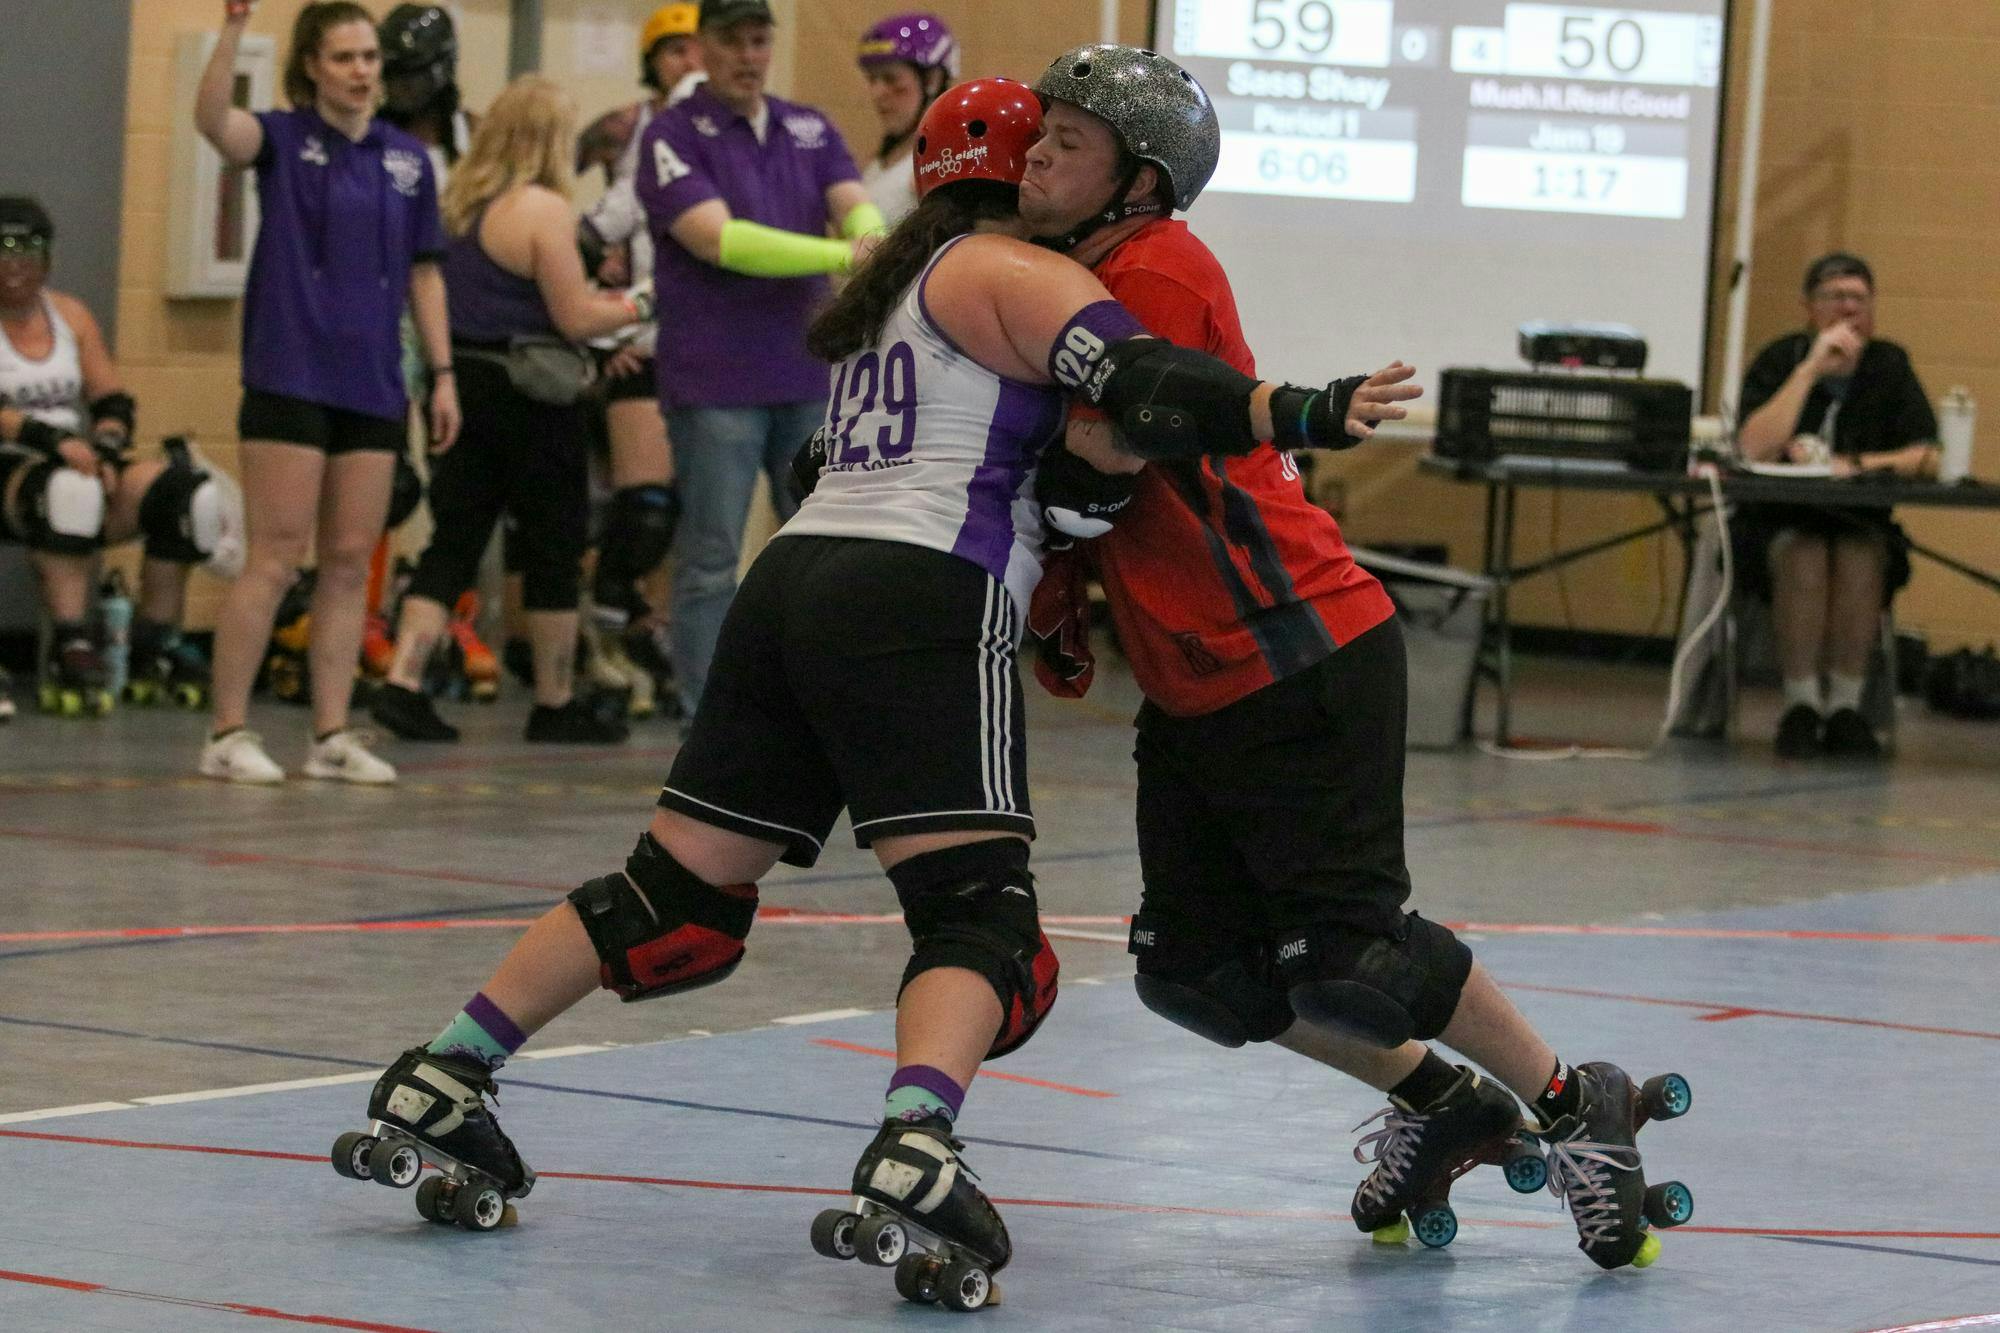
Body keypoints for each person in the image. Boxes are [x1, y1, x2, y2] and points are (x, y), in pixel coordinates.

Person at [329, 79, 1383, 1302]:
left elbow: (832, 460)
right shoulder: (1012, 272)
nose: (1054, 164)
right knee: (978, 915)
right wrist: (1298, 410)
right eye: (1044, 147)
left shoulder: (891, 296)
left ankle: (446, 1071)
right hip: (919, 592)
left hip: (797, 584)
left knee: (670, 897)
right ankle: (917, 1147)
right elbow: (1145, 391)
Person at [1020, 45, 1690, 1272]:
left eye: (1067, 139)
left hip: (1294, 644)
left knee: (1351, 957)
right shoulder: (1055, 274)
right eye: (1037, 134)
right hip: (1190, 678)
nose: (1037, 155)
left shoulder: (1152, 260)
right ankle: (1444, 1102)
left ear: (1141, 175)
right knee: (1199, 975)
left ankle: (1567, 1098)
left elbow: (1125, 436)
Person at [193, 0, 460, 784]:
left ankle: (332, 731)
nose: (361, 71)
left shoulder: (409, 160)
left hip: (373, 382)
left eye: (370, 57)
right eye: (343, 57)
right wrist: (233, 33)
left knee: (350, 561)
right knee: (275, 556)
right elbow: (214, 121)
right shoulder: (280, 138)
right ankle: (227, 730)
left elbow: (425, 275)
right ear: (312, 64)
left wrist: (442, 376)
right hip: (289, 372)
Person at [367, 76, 652, 746]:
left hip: (461, 386)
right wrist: (644, 302)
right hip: (532, 393)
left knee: (454, 540)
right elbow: (577, 316)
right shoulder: (543, 210)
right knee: (553, 545)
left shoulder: (458, 202)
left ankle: (403, 681)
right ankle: (554, 698)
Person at [634, 0, 885, 716]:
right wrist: (849, 253)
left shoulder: (809, 126)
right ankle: (707, 718)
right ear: (702, 48)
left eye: (758, 40)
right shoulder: (672, 135)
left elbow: (852, 199)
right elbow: (721, 240)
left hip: (803, 370)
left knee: (822, 548)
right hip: (715, 377)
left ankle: (824, 703)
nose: (748, 55)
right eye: (731, 41)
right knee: (711, 555)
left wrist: (870, 236)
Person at [0, 196, 240, 718]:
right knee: (71, 490)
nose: (14, 267)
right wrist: (53, 441)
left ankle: (155, 643)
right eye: (3, 253)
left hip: (71, 460)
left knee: (186, 494)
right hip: (13, 466)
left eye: (27, 253)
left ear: (46, 259)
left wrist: (107, 445)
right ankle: (71, 643)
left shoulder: (70, 315)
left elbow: (110, 398)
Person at [1734, 252, 1939, 760]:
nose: (1848, 308)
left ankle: (1846, 707)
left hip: (1860, 520)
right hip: (1780, 521)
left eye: (1859, 298)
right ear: (1808, 307)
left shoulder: (1889, 363)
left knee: (1859, 558)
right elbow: (1751, 447)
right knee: (1804, 558)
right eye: (1834, 297)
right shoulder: (1782, 359)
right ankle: (1802, 704)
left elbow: (1927, 456)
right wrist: (1809, 371)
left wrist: (1858, 462)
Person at [574, 4, 707, 704]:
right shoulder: (632, 131)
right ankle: (602, 630)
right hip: (643, 343)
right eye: (675, 50)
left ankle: (652, 633)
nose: (690, 62)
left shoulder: (734, 143)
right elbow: (587, 239)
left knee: (691, 517)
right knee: (645, 512)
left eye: (696, 49)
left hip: (707, 349)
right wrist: (606, 336)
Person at [854, 12, 958, 225]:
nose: (877, 93)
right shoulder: (883, 160)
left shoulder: (942, 162)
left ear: (932, 80)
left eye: (891, 79)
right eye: (872, 79)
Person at [377, 4, 475, 179]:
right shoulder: (367, 137)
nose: (401, 88)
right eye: (393, 75)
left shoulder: (474, 135)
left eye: (413, 75)